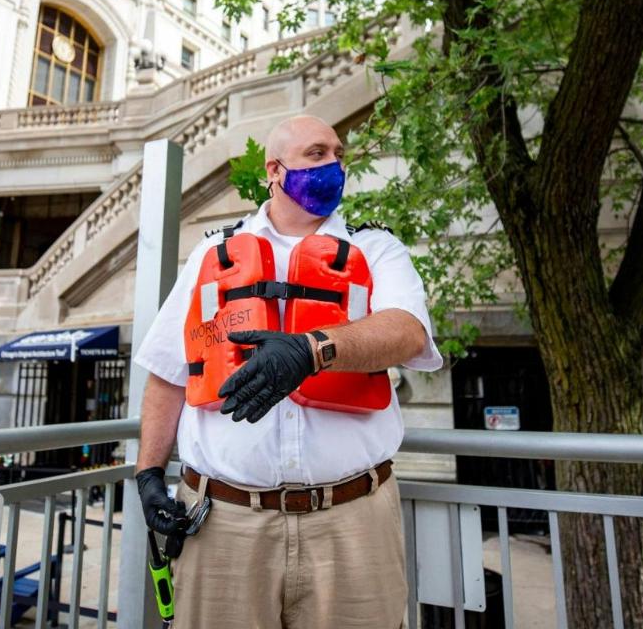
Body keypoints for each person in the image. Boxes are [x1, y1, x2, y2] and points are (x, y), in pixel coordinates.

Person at [133, 114, 443, 628]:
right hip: (223, 523)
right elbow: (168, 372)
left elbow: (408, 331)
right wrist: (147, 475)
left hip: (353, 521)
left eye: (340, 154)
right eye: (317, 153)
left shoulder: (376, 249)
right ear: (275, 171)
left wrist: (311, 349)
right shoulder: (211, 254)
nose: (335, 165)